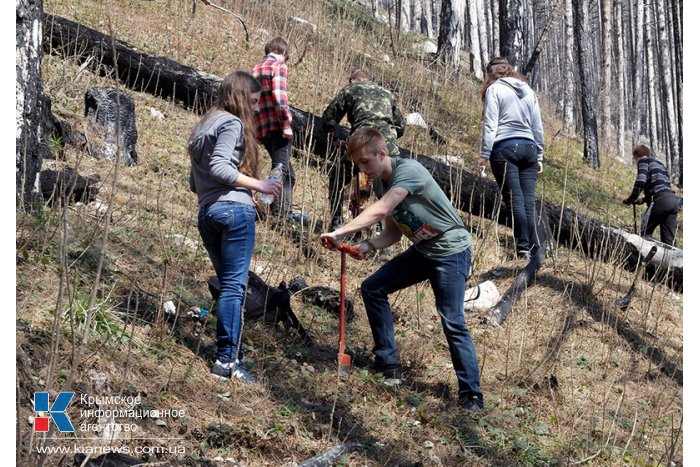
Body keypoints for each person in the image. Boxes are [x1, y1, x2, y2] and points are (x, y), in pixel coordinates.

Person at [320, 128, 484, 414]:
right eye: (357, 164)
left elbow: (382, 210)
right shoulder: (382, 183)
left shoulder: (408, 170)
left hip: (451, 251)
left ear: (382, 153)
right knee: (373, 287)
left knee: (452, 320)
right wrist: (367, 246)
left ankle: (471, 395)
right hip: (423, 251)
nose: (362, 169)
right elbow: (392, 232)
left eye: (365, 162)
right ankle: (388, 365)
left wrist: (340, 232)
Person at [188, 71, 282, 382]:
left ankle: (232, 356)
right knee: (234, 289)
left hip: (208, 214)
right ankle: (227, 361)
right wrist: (260, 186)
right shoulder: (232, 123)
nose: (255, 110)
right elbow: (220, 167)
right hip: (233, 215)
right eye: (253, 102)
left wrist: (239, 191)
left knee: (229, 288)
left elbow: (196, 181)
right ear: (241, 97)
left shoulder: (204, 125)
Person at [476, 57, 544, 260]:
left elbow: (490, 124)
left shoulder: (494, 89)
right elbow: (537, 126)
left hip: (505, 148)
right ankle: (534, 246)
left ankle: (523, 247)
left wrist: (484, 154)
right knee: (528, 201)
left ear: (491, 74)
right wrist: (539, 153)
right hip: (529, 147)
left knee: (515, 199)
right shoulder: (528, 91)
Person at [321, 69, 406, 230]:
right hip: (387, 148)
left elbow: (328, 119)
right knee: (385, 190)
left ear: (352, 81)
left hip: (361, 146)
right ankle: (384, 232)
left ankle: (336, 223)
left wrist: (335, 138)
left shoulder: (350, 89)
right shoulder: (386, 92)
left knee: (337, 176)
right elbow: (401, 127)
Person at [250, 36, 295, 221]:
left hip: (262, 128)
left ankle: (277, 209)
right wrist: (286, 124)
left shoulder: (253, 69)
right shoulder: (278, 66)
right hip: (278, 127)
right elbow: (279, 95)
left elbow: (250, 101)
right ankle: (280, 215)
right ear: (283, 53)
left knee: (286, 171)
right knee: (282, 171)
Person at [623, 144, 680, 246]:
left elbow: (641, 181)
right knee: (669, 243)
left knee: (644, 233)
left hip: (659, 202)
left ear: (636, 156)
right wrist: (644, 200)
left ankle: (643, 260)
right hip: (672, 201)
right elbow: (661, 187)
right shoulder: (661, 164)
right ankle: (672, 261)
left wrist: (631, 199)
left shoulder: (643, 161)